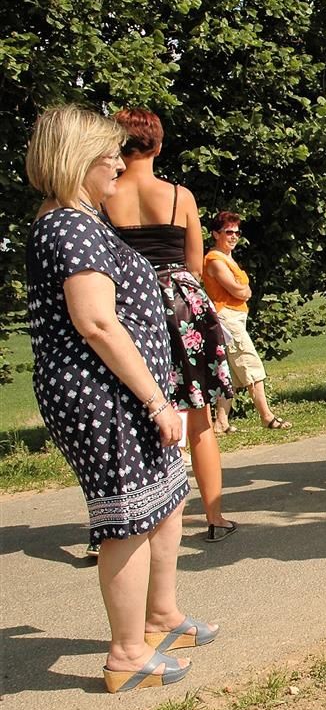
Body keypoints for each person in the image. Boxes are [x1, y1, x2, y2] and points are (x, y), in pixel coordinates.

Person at [25, 105, 215, 693]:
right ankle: (128, 654)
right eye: (109, 154)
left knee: (164, 501)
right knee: (128, 519)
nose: (118, 163)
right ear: (78, 159)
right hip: (104, 395)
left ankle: (160, 616)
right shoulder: (70, 227)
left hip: (131, 390)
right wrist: (158, 403)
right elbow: (97, 324)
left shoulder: (82, 219)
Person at [104, 108, 236, 543]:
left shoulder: (102, 196)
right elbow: (196, 265)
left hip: (126, 307)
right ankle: (214, 518)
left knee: (128, 418)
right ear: (158, 145)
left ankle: (112, 526)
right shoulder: (180, 196)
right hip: (182, 306)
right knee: (198, 417)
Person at [202, 213, 290, 432]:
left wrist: (243, 291)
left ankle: (221, 422)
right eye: (228, 232)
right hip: (227, 317)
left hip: (235, 316)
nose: (233, 236)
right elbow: (236, 290)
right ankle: (267, 417)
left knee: (229, 371)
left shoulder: (227, 258)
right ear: (215, 234)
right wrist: (244, 291)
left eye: (237, 232)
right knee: (251, 365)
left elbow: (241, 290)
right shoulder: (215, 259)